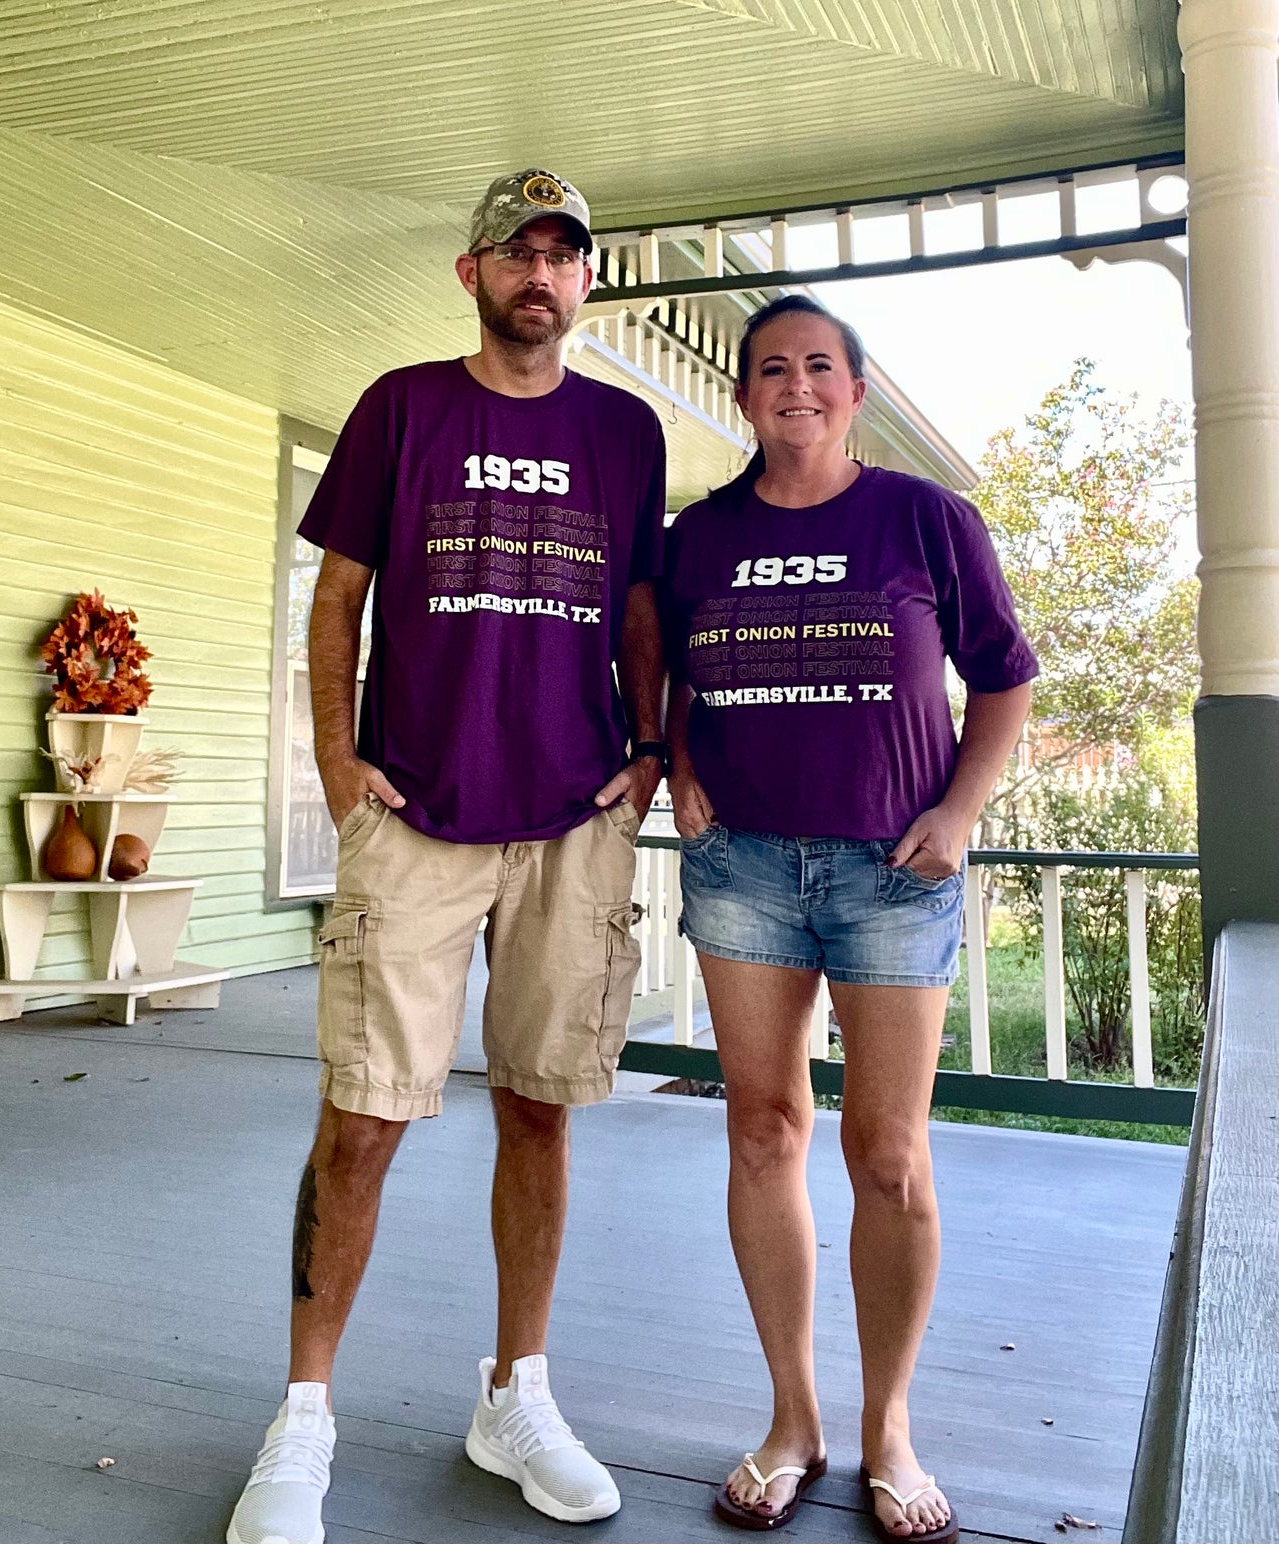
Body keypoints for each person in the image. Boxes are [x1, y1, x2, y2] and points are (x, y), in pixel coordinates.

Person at [226, 169, 668, 1544]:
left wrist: (648, 751)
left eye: (564, 256)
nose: (542, 274)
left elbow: (643, 606)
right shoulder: (400, 407)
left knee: (538, 1105)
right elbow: (339, 598)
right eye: (517, 252)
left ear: (586, 281)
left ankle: (514, 1393)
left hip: (569, 821)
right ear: (472, 272)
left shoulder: (625, 430)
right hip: (414, 813)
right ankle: (303, 1417)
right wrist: (334, 758)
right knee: (360, 1120)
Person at [663, 294, 1037, 1541]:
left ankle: (887, 1427)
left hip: (890, 869)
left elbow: (1003, 673)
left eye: (819, 365)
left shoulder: (922, 518)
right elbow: (661, 666)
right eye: (771, 368)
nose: (796, 385)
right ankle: (790, 1419)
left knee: (886, 1153)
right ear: (743, 395)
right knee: (764, 1130)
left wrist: (964, 806)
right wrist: (676, 764)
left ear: (855, 389)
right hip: (744, 871)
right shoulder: (696, 535)